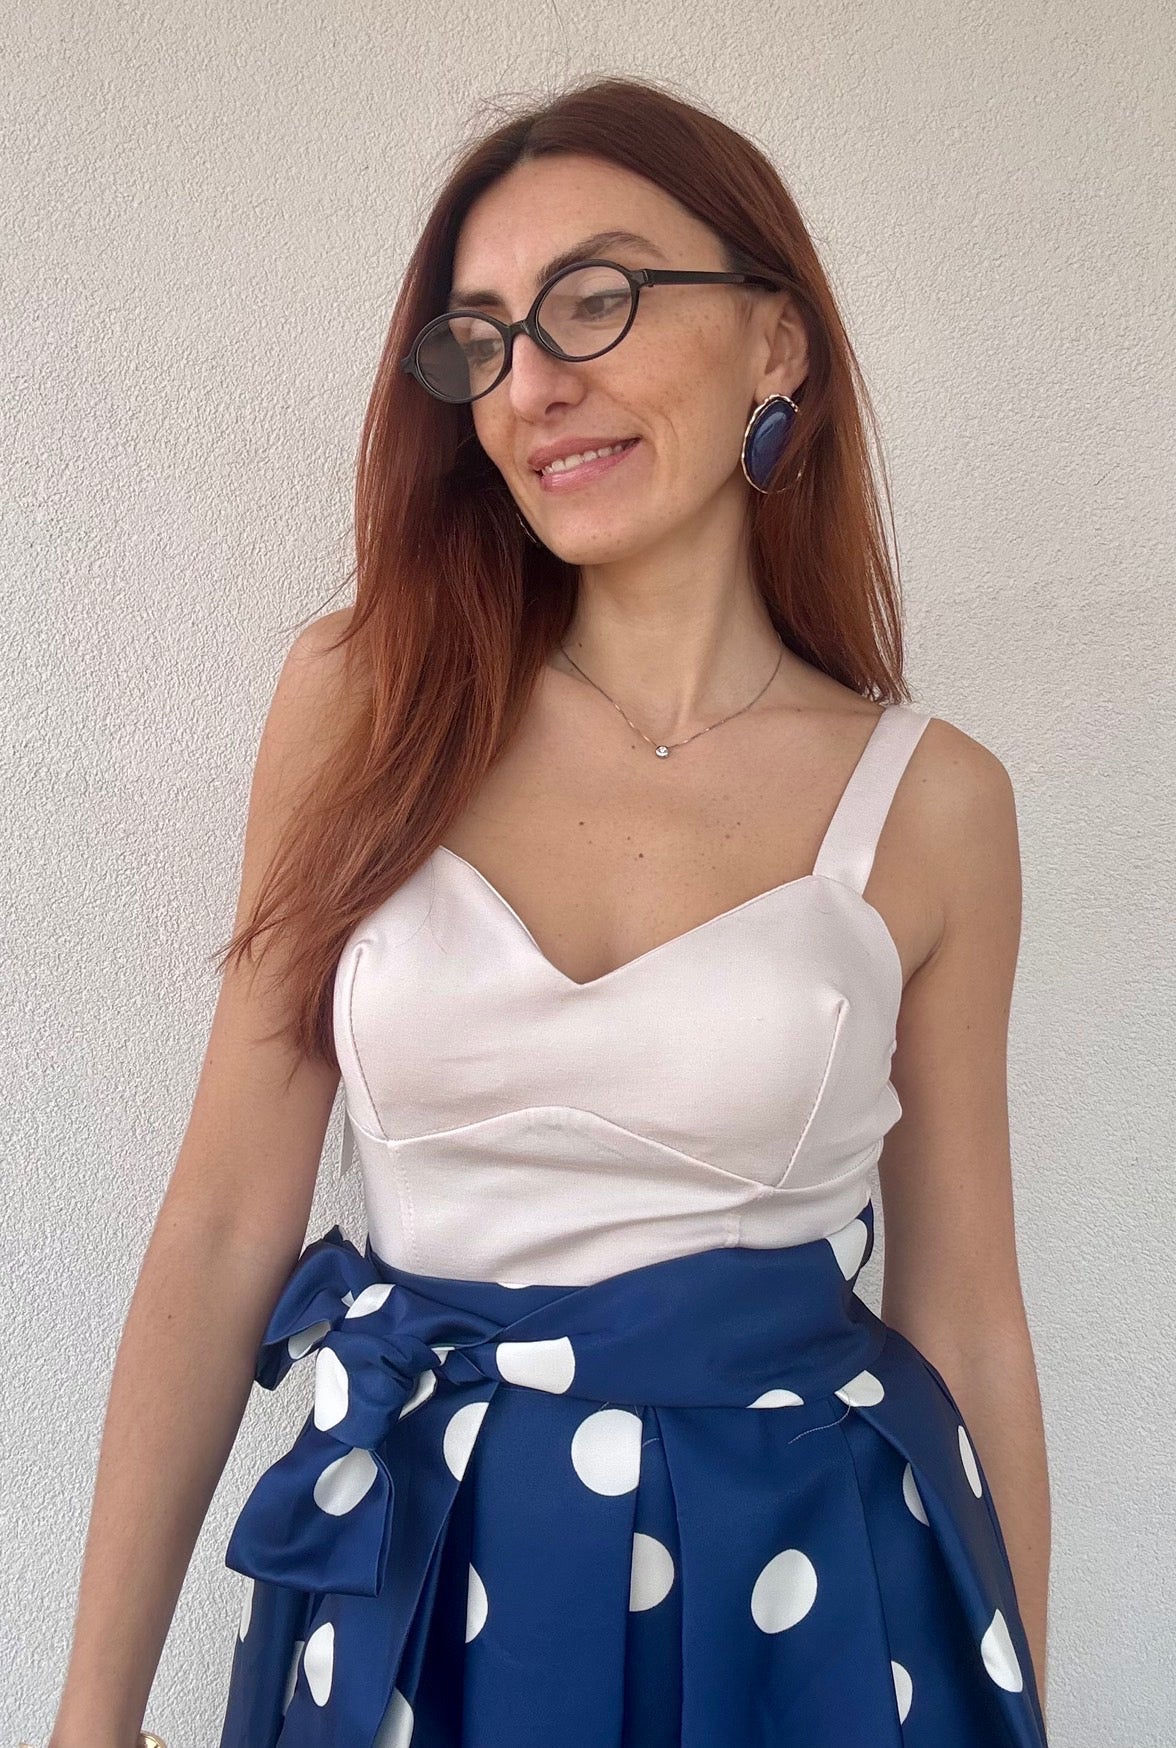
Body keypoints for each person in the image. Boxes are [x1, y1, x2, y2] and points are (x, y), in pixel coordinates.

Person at [46, 75, 1052, 1748]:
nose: (534, 383)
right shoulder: (365, 702)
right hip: (416, 1592)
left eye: (599, 299)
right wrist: (95, 1715)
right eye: (484, 338)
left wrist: (1014, 1697)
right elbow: (225, 1224)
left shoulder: (933, 803)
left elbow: (966, 1319)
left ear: (777, 343)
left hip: (798, 1607)